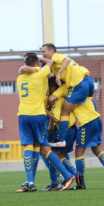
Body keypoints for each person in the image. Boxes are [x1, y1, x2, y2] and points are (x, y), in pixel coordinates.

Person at [16, 53, 77, 192]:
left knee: (30, 148)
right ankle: (33, 181)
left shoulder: (19, 78)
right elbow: (49, 62)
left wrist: (29, 64)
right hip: (39, 116)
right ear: (37, 64)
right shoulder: (40, 74)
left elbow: (23, 69)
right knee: (41, 148)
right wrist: (40, 59)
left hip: (24, 116)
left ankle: (31, 181)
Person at [49, 82, 104, 189]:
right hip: (97, 120)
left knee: (79, 152)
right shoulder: (85, 92)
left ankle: (80, 183)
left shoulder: (71, 92)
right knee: (96, 150)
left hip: (87, 123)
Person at [41, 43, 94, 148]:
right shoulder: (58, 70)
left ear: (51, 51)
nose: (42, 54)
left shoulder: (56, 57)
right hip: (84, 83)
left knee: (65, 112)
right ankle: (61, 140)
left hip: (78, 86)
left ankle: (62, 140)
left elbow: (66, 60)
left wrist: (59, 73)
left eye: (43, 52)